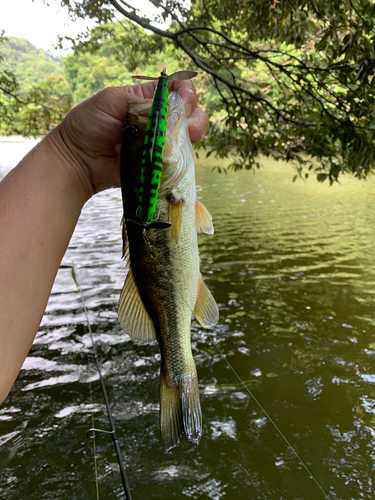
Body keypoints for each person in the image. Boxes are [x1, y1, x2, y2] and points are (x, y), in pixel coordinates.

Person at [0, 79, 209, 405]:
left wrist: (73, 154)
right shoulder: (172, 194)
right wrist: (73, 152)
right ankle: (179, 370)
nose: (140, 122)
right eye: (135, 133)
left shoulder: (168, 192)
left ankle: (177, 372)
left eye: (137, 133)